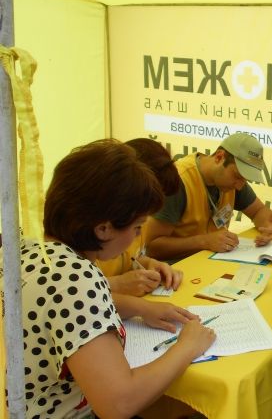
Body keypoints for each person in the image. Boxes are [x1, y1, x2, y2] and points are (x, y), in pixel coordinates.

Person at [3, 139, 216, 418]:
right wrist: (188, 347)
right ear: (103, 229)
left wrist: (142, 308)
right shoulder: (76, 279)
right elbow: (119, 403)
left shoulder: (33, 250)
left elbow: (67, 313)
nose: (138, 237)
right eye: (137, 227)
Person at [146, 132, 272, 261]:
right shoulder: (178, 182)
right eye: (237, 176)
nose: (239, 186)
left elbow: (259, 211)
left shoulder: (234, 182)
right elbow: (152, 247)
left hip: (211, 263)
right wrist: (204, 241)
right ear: (219, 157)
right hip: (175, 268)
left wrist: (267, 227)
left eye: (245, 179)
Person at [98, 138, 184, 296]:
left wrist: (147, 263)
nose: (147, 218)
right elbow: (77, 288)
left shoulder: (132, 221)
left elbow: (128, 259)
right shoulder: (76, 248)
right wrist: (115, 285)